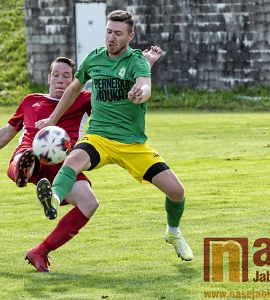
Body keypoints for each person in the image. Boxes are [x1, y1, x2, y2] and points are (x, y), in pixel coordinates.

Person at [0, 49, 163, 272]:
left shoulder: (85, 99)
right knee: (27, 157)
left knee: (89, 203)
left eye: (67, 76)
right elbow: (7, 133)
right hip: (31, 153)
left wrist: (146, 63)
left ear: (74, 80)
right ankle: (23, 173)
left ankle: (40, 251)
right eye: (56, 74)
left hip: (63, 164)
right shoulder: (31, 101)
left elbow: (118, 92)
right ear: (48, 78)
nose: (60, 79)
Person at [35, 10, 193, 262]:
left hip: (132, 144)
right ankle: (53, 198)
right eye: (109, 31)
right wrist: (53, 119)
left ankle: (173, 232)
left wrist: (141, 92)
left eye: (118, 33)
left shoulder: (137, 61)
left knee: (176, 192)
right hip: (98, 137)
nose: (111, 37)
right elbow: (74, 88)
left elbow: (145, 84)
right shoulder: (94, 59)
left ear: (130, 36)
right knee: (72, 161)